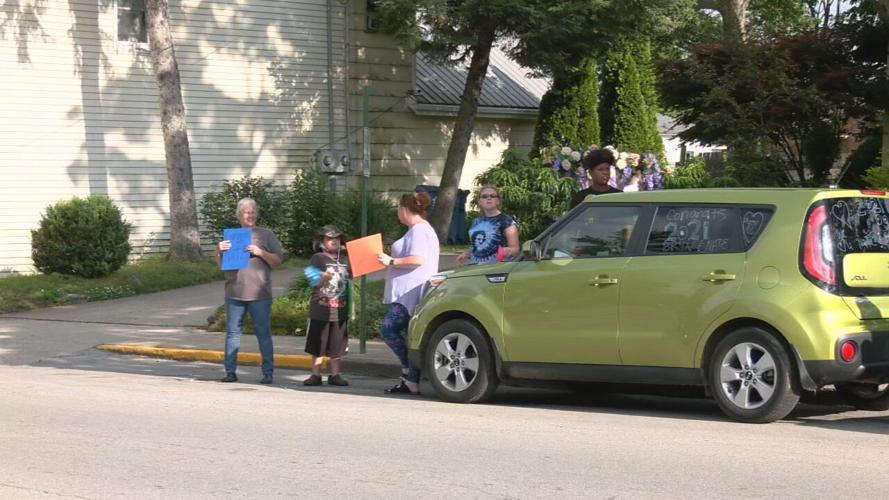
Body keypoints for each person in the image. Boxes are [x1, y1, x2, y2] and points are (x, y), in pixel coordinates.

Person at [377, 192, 440, 395]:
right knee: (408, 334)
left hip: (411, 293)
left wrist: (391, 261)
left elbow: (418, 259)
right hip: (409, 291)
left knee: (389, 329)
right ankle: (411, 380)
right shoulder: (418, 229)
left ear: (404, 209)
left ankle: (409, 369)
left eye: (398, 208)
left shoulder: (419, 230)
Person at [216, 198, 284, 384]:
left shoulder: (266, 235)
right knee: (232, 334)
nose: (250, 215)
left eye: (253, 212)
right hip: (235, 292)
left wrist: (260, 252)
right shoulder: (232, 236)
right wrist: (219, 250)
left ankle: (268, 373)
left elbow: (278, 261)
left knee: (263, 334)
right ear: (239, 215)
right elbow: (221, 266)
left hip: (259, 294)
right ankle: (230, 371)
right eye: (247, 212)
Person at [303, 225, 351, 387]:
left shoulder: (344, 260)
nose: (334, 241)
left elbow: (353, 275)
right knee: (318, 342)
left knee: (337, 345)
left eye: (337, 238)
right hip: (321, 309)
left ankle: (335, 374)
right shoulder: (318, 258)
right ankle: (315, 374)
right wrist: (323, 277)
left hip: (340, 309)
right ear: (322, 241)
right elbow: (312, 279)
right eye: (330, 238)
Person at [456, 185, 520, 266]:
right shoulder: (476, 221)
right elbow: (476, 246)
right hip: (475, 267)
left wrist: (506, 251)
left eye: (492, 196)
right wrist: (466, 253)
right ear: (480, 201)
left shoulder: (507, 221)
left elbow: (515, 249)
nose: (489, 198)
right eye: (484, 196)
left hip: (497, 268)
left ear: (498, 201)